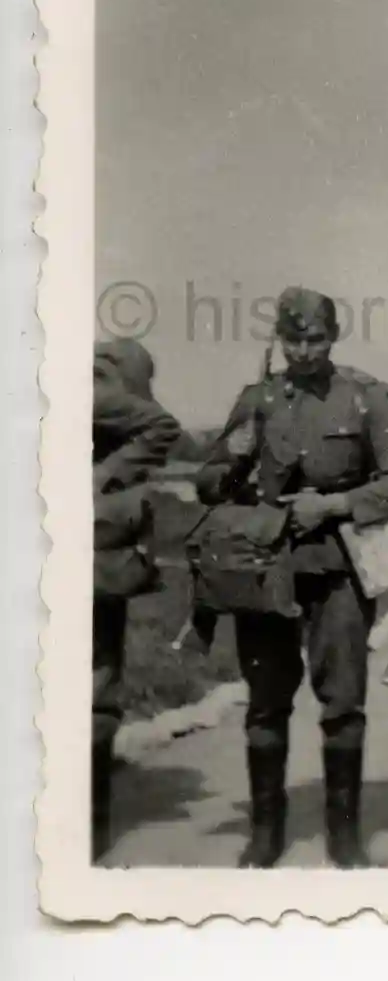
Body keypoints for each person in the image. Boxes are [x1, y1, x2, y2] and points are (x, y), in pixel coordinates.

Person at [196, 286, 388, 869]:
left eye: (315, 339)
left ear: (333, 337)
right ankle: (266, 834)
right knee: (266, 703)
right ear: (279, 338)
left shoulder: (366, 399)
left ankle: (345, 839)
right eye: (293, 339)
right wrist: (231, 458)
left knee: (343, 705)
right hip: (266, 571)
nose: (303, 351)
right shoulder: (258, 398)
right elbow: (209, 479)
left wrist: (336, 506)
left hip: (338, 569)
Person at [90, 338, 183, 862]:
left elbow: (161, 426)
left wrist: (101, 478)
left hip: (88, 552)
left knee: (94, 686)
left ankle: (89, 827)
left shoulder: (84, 388)